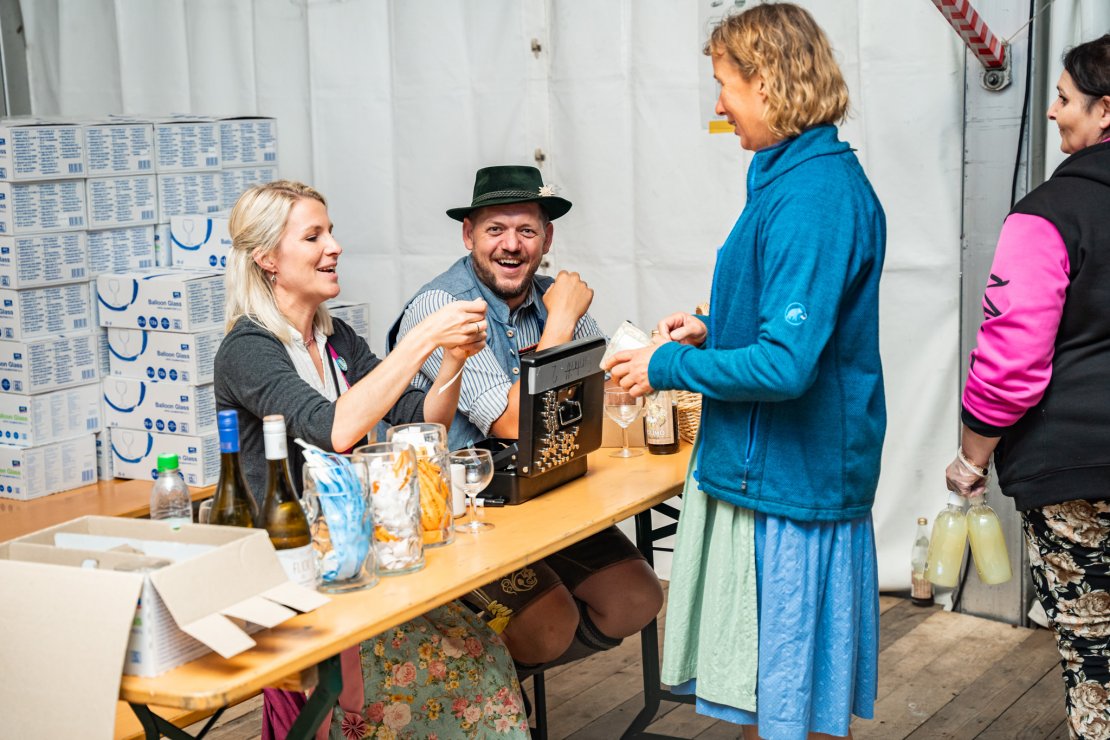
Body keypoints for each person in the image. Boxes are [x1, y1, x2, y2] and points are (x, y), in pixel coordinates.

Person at [604, 5, 886, 739]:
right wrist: (714, 327)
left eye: (724, 84)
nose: (719, 104)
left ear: (766, 82)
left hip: (792, 483)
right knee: (780, 699)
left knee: (787, 705)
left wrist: (669, 363)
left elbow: (788, 365)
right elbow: (795, 321)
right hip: (784, 476)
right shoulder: (794, 180)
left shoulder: (812, 196)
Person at [213, 180, 529, 739]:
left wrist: (453, 359)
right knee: (464, 675)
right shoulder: (249, 349)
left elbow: (422, 422)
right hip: (293, 578)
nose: (334, 247)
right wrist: (421, 339)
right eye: (313, 236)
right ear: (267, 259)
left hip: (357, 559)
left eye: (331, 232)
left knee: (482, 653)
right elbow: (332, 429)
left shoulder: (335, 339)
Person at [389, 164, 664, 678]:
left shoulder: (551, 295)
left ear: (547, 238)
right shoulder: (444, 305)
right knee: (548, 625)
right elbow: (514, 422)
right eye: (495, 229)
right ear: (468, 234)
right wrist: (559, 323)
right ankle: (485, 692)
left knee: (636, 598)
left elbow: (602, 395)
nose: (511, 245)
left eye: (527, 230)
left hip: (545, 494)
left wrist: (655, 356)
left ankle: (502, 672)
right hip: (467, 513)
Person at [945, 34, 1110, 740]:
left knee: (1096, 658)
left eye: (1064, 98)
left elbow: (1010, 362)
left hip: (1079, 471)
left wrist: (971, 458)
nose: (1050, 110)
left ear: (1105, 110)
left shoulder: (1050, 212)